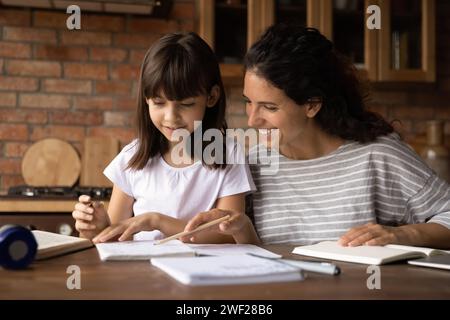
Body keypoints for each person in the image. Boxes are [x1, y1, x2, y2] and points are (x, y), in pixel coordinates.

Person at [182, 24, 450, 249]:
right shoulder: (254, 164)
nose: (253, 120)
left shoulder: (377, 156)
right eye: (249, 102)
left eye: (270, 107)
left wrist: (402, 235)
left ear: (311, 105)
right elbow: (244, 247)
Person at [72, 32, 254, 244]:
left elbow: (229, 234)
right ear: (146, 99)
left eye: (186, 104)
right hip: (142, 274)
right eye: (159, 103)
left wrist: (156, 221)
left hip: (203, 272)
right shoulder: (132, 158)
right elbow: (113, 237)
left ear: (211, 97)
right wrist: (96, 227)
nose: (171, 117)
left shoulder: (228, 154)